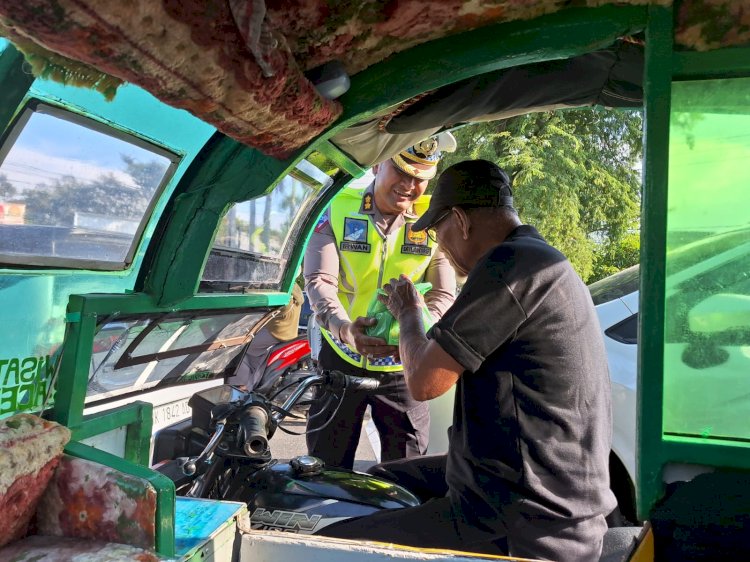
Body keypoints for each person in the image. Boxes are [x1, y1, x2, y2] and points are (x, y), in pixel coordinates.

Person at [318, 159, 616, 562]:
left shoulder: (507, 267)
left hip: (524, 514)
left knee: (331, 544)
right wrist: (407, 343)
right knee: (380, 481)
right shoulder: (531, 257)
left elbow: (425, 383)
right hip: (511, 476)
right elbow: (443, 357)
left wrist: (408, 312)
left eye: (439, 236)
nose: (441, 249)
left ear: (459, 220)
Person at [303, 134, 458, 469]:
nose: (409, 186)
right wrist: (346, 331)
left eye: (420, 178)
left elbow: (444, 293)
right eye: (401, 172)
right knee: (325, 466)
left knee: (407, 470)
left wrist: (413, 335)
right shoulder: (337, 207)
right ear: (377, 164)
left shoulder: (434, 220)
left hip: (404, 366)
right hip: (341, 356)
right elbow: (320, 281)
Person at [228, 283, 304, 390]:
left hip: (276, 332)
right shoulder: (293, 287)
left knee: (238, 346)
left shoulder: (281, 288)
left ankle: (243, 385)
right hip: (287, 331)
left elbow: (263, 301)